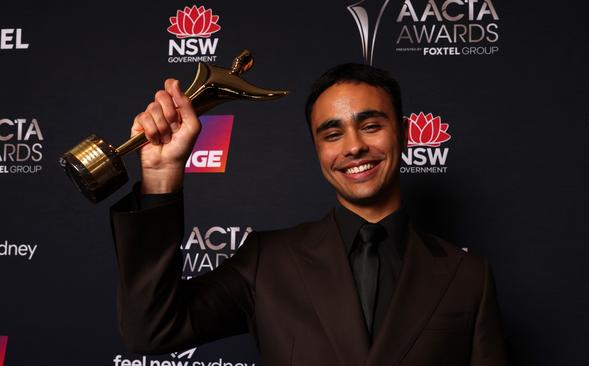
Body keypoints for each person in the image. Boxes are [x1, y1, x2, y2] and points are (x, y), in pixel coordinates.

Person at [110, 63, 508, 365]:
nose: (353, 147)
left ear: (402, 134)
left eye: (370, 125)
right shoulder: (268, 261)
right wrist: (162, 175)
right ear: (318, 150)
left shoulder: (469, 277)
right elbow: (151, 330)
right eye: (332, 134)